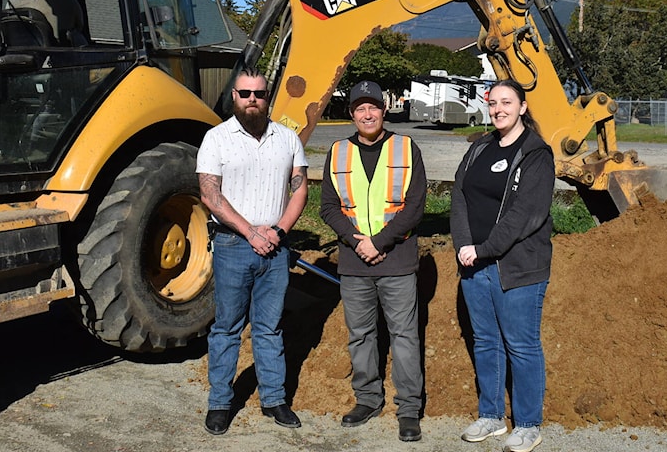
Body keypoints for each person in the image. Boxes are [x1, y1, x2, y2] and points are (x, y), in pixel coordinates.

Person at [196, 68, 309, 435]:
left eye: (258, 94)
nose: (252, 100)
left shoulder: (288, 139)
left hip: (275, 248)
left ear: (268, 97)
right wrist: (250, 232)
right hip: (232, 245)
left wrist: (277, 231)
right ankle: (219, 403)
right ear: (234, 96)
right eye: (245, 94)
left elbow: (300, 190)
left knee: (269, 327)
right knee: (227, 327)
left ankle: (274, 399)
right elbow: (210, 195)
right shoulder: (216, 139)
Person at [450, 78, 555, 452]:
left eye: (506, 102)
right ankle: (491, 416)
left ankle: (528, 423)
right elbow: (459, 194)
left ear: (523, 107)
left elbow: (527, 213)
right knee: (486, 342)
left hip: (518, 268)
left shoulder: (536, 154)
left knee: (522, 345)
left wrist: (485, 249)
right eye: (493, 103)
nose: (498, 109)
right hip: (473, 265)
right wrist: (464, 244)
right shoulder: (480, 148)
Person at [320, 80, 427, 443]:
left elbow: (414, 207)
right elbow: (328, 208)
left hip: (396, 261)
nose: (367, 114)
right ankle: (367, 400)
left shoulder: (406, 148)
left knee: (404, 336)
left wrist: (379, 242)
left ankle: (409, 409)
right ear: (351, 114)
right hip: (354, 263)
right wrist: (356, 242)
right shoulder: (337, 152)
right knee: (361, 335)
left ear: (384, 110)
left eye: (374, 107)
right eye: (360, 108)